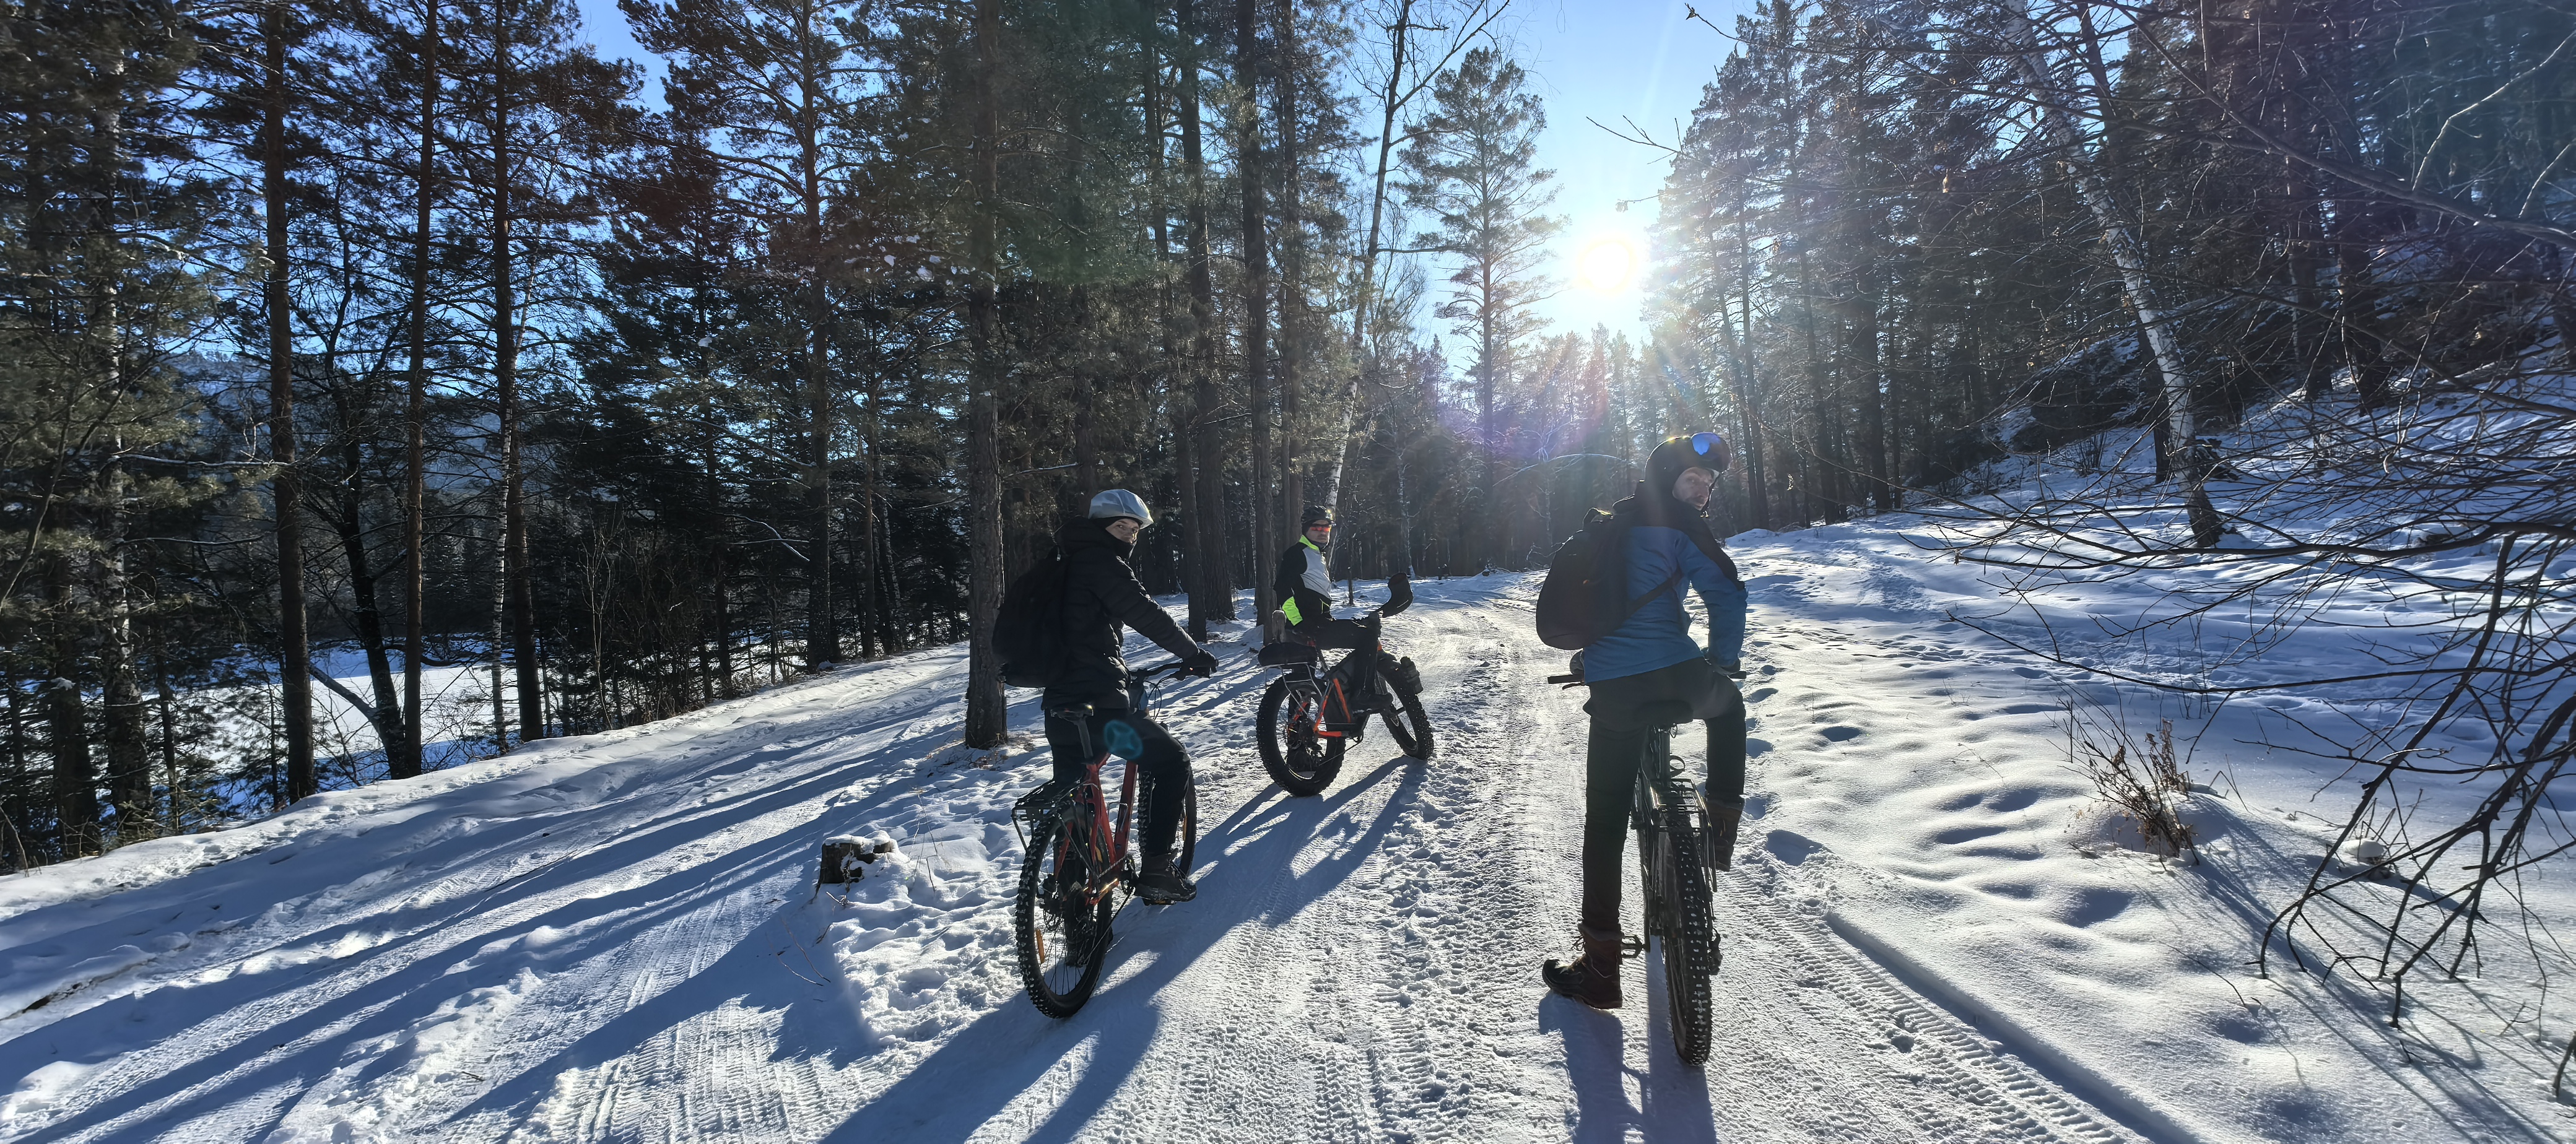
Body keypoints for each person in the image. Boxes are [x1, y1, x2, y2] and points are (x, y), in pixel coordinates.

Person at [1542, 433, 1751, 1010]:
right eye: (1692, 480)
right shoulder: (1679, 525)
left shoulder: (1608, 527)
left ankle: (1601, 971)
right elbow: (1727, 596)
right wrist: (1724, 662)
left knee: (1604, 822)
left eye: (1708, 484)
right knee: (1728, 706)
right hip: (1678, 675)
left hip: (1613, 687)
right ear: (1667, 480)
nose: (1702, 491)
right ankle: (1718, 840)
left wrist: (1594, 659)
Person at [1043, 489, 1220, 904]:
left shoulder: (1060, 564)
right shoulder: (1100, 563)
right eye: (1121, 527)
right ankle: (1158, 871)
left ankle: (1071, 899)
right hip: (1105, 715)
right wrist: (1192, 654)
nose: (1128, 537)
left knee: (1073, 793)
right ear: (1100, 527)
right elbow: (1144, 614)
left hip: (1060, 710)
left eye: (1134, 530)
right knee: (1171, 761)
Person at [1271, 505, 1406, 722]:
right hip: (1309, 625)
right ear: (1305, 529)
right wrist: (1298, 623)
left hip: (1314, 623)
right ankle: (1361, 696)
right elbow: (1283, 591)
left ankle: (1297, 737)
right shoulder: (1299, 553)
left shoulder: (1316, 555)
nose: (1323, 531)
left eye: (1327, 527)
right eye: (1316, 527)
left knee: (1304, 681)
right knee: (1367, 637)